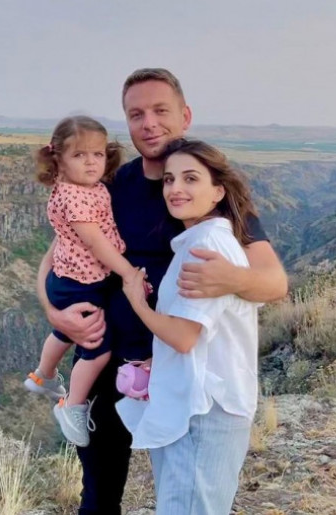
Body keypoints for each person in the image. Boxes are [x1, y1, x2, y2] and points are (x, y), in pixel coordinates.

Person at [36, 68, 289, 514]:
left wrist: (232, 278)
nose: (149, 123)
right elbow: (58, 251)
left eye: (160, 111)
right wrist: (53, 312)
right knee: (98, 493)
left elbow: (274, 282)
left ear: (184, 116)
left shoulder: (203, 189)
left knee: (181, 489)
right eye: (137, 114)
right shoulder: (110, 186)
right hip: (106, 359)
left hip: (175, 370)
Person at [117, 138, 261, 514]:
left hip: (202, 415)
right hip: (202, 409)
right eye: (169, 180)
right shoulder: (203, 241)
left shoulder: (205, 247)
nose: (175, 188)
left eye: (190, 178)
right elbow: (204, 332)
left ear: (218, 191)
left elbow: (183, 337)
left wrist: (137, 301)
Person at [24, 115, 145, 447]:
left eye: (97, 154)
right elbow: (95, 242)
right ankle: (72, 405)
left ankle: (43, 375)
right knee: (97, 348)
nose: (91, 162)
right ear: (59, 160)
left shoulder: (82, 188)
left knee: (65, 332)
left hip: (66, 280)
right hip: (82, 284)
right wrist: (128, 272)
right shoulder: (76, 196)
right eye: (79, 155)